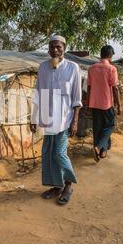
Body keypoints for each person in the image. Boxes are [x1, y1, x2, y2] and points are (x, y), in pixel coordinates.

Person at [30, 35, 82, 206]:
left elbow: (76, 98)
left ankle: (68, 185)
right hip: (47, 118)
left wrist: (75, 121)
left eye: (58, 47)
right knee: (48, 154)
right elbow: (38, 94)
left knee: (59, 153)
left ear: (64, 48)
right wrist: (33, 117)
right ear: (48, 49)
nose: (55, 50)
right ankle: (56, 186)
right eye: (52, 47)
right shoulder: (43, 67)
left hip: (64, 120)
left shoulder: (72, 68)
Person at [85, 45, 121, 162]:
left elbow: (89, 88)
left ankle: (102, 151)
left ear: (101, 55)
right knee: (110, 126)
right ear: (110, 56)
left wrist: (87, 104)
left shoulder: (91, 68)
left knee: (98, 127)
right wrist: (119, 105)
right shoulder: (112, 69)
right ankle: (99, 147)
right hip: (107, 103)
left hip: (94, 103)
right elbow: (115, 89)